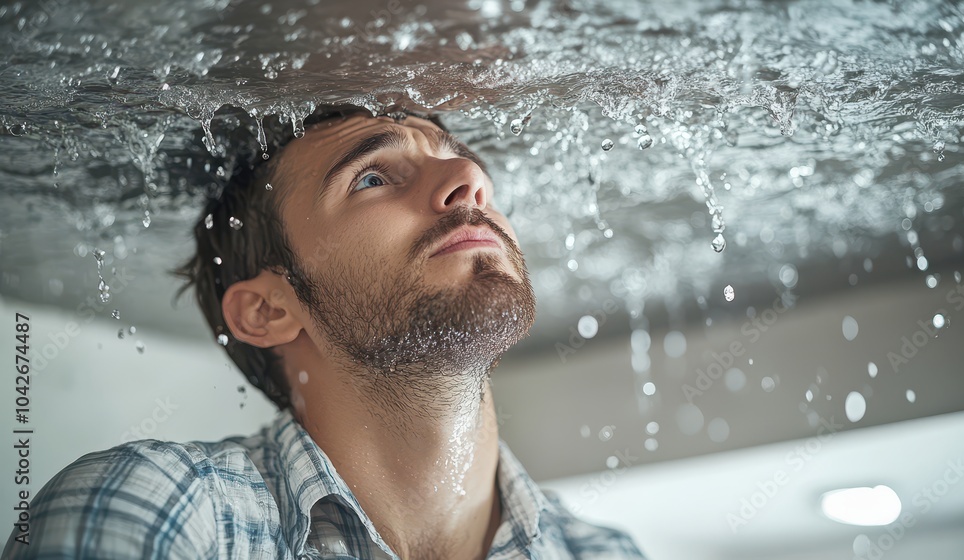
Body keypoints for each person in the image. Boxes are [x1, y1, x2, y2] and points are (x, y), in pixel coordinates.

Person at [2, 107, 649, 559]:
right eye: (371, 178)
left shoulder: (607, 553)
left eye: (463, 163)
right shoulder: (165, 511)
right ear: (269, 310)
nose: (469, 183)